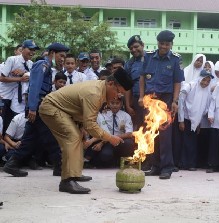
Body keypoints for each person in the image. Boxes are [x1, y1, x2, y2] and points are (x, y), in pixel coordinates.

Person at [38, 67, 133, 194]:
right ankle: (67, 181)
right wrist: (110, 138)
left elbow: (83, 113)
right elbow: (91, 125)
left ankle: (75, 174)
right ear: (110, 83)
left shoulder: (101, 90)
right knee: (72, 137)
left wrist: (82, 127)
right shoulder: (95, 93)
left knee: (77, 136)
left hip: (65, 111)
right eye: (118, 91)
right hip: (51, 107)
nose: (118, 96)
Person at [3, 42, 69, 178]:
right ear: (53, 53)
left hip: (39, 106)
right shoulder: (42, 65)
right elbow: (34, 86)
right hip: (38, 107)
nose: (62, 59)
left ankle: (12, 164)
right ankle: (60, 167)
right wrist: (32, 108)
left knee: (29, 139)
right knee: (51, 137)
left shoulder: (48, 66)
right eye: (61, 55)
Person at [139, 30, 185, 179]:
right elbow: (142, 78)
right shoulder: (148, 56)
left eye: (167, 44)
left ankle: (167, 167)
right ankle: (155, 165)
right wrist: (141, 97)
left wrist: (175, 101)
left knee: (165, 135)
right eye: (162, 43)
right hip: (150, 100)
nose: (164, 46)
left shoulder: (176, 59)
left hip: (165, 100)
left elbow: (177, 82)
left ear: (171, 44)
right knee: (152, 133)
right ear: (157, 43)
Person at [0, 40, 39, 134]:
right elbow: (1, 78)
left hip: (17, 98)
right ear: (23, 49)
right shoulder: (12, 59)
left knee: (13, 122)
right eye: (30, 49)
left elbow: (33, 78)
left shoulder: (31, 64)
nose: (32, 52)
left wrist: (24, 73)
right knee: (4, 122)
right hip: (5, 95)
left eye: (34, 50)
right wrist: (19, 79)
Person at [84, 97, 134, 168]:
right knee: (105, 155)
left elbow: (129, 134)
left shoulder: (126, 116)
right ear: (108, 104)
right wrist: (105, 141)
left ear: (121, 104)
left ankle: (123, 160)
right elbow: (101, 132)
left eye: (117, 103)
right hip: (107, 141)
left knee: (129, 143)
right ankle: (106, 161)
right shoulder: (103, 115)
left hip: (121, 141)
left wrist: (114, 138)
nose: (115, 105)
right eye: (112, 103)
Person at [178, 69, 213, 170]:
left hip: (196, 121)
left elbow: (204, 109)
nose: (205, 83)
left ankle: (191, 164)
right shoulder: (190, 86)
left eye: (208, 81)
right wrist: (181, 120)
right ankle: (183, 163)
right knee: (184, 142)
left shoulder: (207, 92)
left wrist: (199, 123)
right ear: (200, 78)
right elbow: (181, 102)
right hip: (185, 118)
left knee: (192, 142)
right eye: (204, 80)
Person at [124, 35, 146, 131]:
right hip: (137, 101)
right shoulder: (129, 63)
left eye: (136, 46)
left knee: (154, 128)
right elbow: (127, 86)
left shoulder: (152, 59)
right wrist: (128, 105)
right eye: (131, 48)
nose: (133, 50)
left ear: (142, 45)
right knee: (139, 128)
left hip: (152, 99)